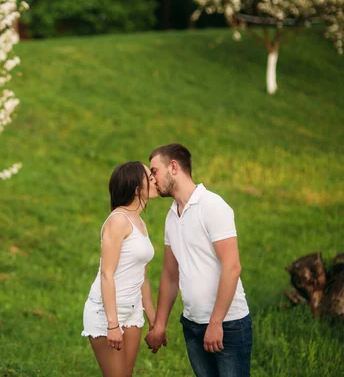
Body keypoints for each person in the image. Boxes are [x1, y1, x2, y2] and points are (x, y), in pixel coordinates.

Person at [144, 143, 252, 377]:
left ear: (173, 167)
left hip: (228, 325)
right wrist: (160, 325)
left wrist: (216, 323)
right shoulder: (172, 216)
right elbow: (170, 275)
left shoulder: (213, 206)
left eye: (154, 171)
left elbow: (232, 268)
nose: (153, 179)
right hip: (192, 325)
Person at [82, 161, 158, 377]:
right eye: (148, 175)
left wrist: (153, 318)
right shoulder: (118, 220)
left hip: (132, 310)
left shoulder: (139, 221)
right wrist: (112, 324)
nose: (154, 178)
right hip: (105, 312)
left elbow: (141, 274)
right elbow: (107, 274)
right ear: (136, 187)